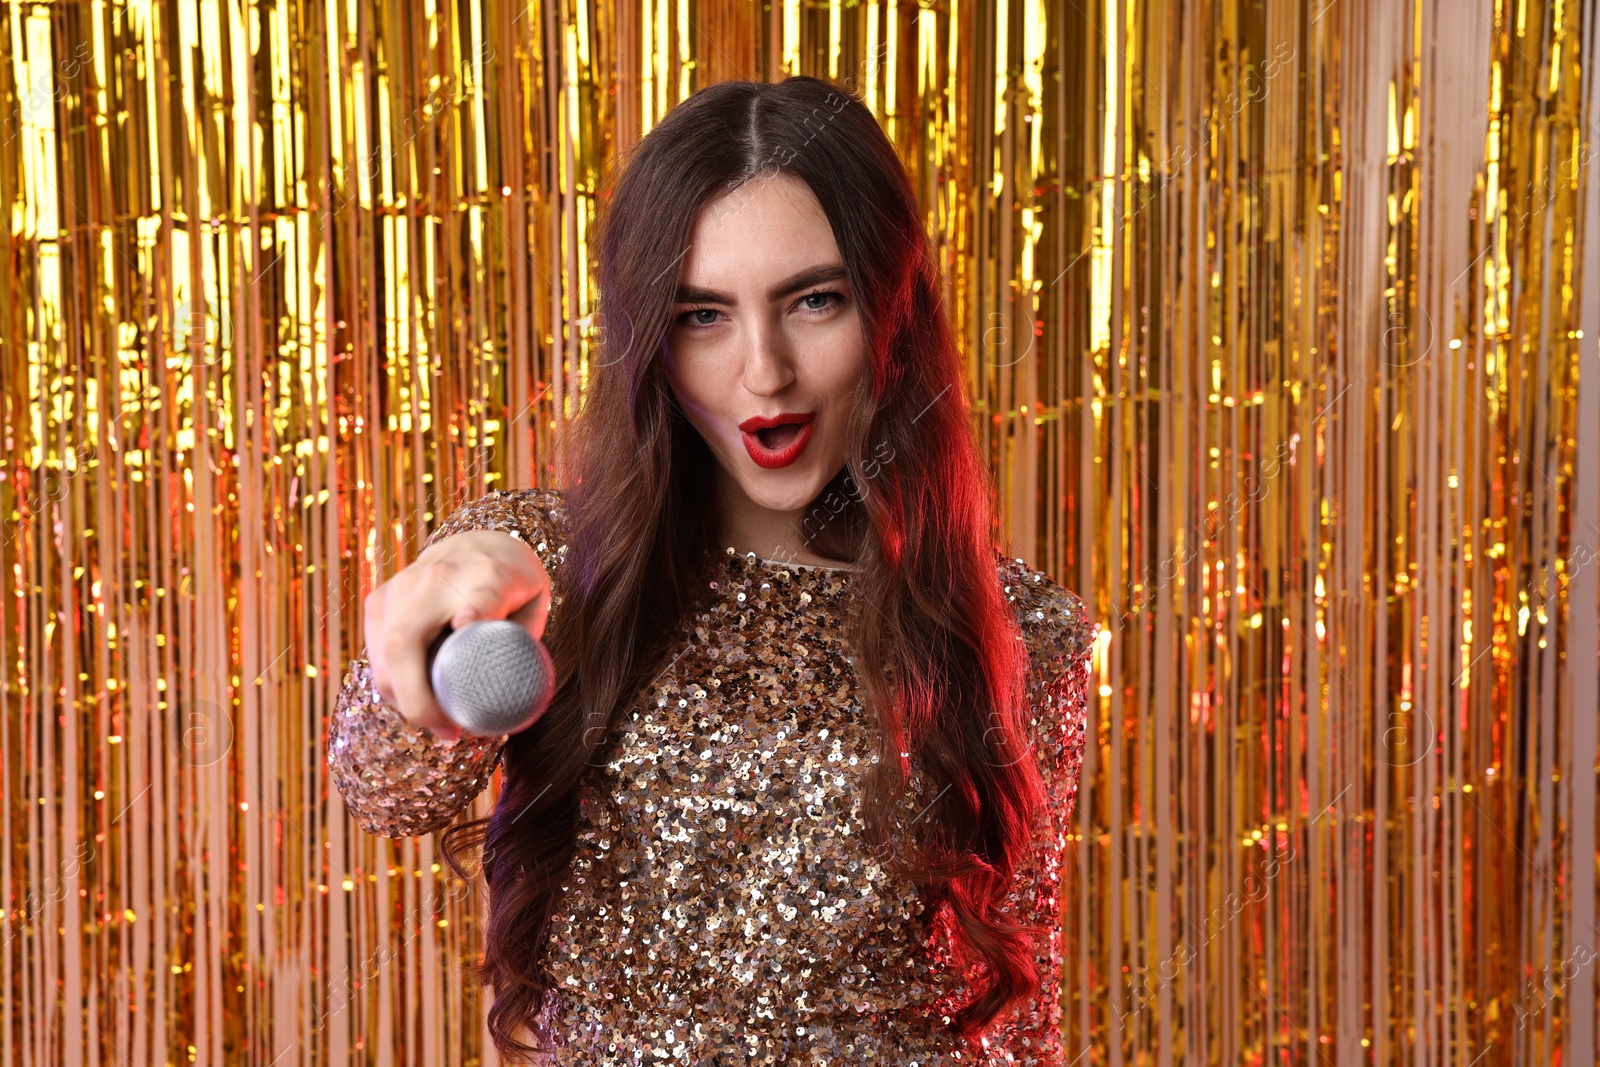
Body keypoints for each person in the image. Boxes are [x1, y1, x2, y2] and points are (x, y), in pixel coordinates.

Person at [326, 75, 1094, 1065]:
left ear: (891, 306)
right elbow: (381, 789)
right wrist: (417, 655)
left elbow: (1017, 1010)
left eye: (813, 301)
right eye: (703, 315)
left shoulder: (1020, 625)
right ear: (648, 337)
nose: (764, 370)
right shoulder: (547, 569)